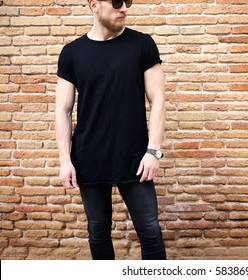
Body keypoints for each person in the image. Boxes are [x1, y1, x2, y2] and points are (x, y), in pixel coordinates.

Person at [55, 0, 166, 260]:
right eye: (117, 2)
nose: (124, 8)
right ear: (94, 4)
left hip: (135, 156)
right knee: (98, 230)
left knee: (149, 230)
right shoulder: (72, 53)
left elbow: (158, 100)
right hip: (89, 155)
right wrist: (64, 160)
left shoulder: (142, 44)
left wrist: (153, 151)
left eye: (128, 2)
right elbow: (63, 109)